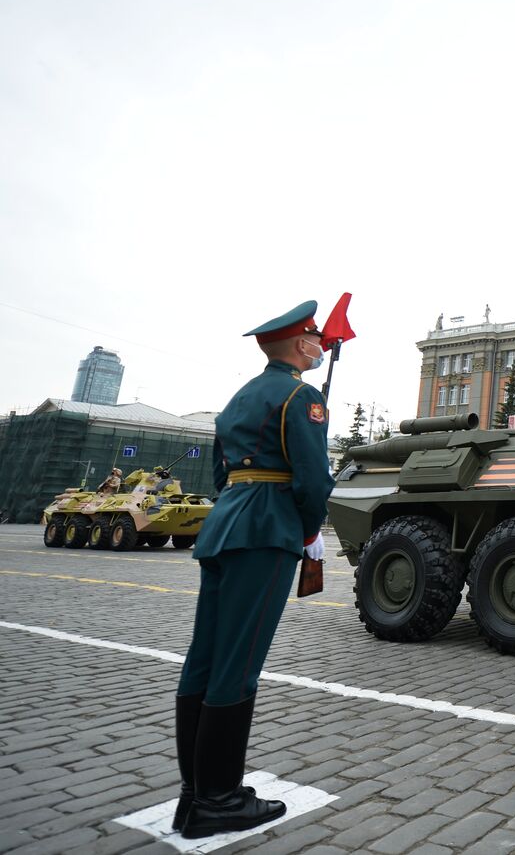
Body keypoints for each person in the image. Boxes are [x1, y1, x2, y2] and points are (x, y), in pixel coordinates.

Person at [171, 300, 336, 839]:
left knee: (206, 657)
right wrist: (308, 530)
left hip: (226, 525)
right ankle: (217, 801)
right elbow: (313, 479)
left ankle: (196, 792)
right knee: (238, 664)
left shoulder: (240, 397)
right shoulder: (301, 395)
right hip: (267, 530)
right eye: (314, 337)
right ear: (297, 345)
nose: (320, 344)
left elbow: (223, 471)